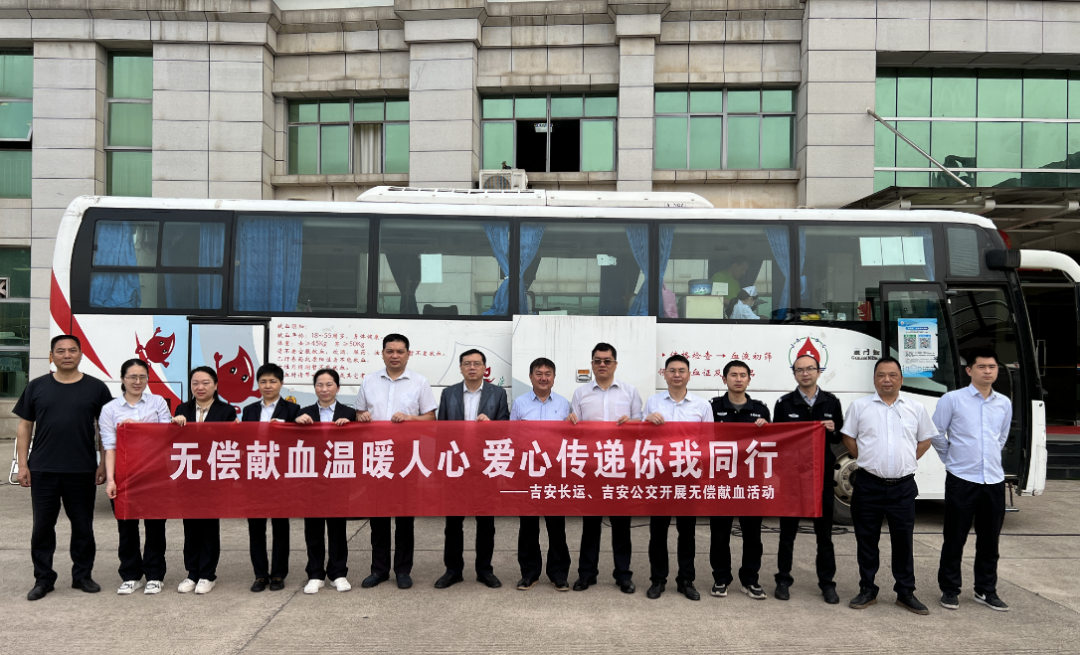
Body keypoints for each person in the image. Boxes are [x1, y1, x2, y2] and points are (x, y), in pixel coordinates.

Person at [15, 334, 114, 601]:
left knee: (83, 526)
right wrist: (23, 465)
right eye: (60, 351)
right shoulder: (36, 387)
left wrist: (103, 463)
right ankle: (43, 579)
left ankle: (82, 576)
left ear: (81, 355)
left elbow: (106, 429)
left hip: (81, 469)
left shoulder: (96, 388)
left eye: (72, 350)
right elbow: (25, 426)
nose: (67, 355)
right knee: (42, 528)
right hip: (43, 468)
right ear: (51, 356)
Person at [842, 356, 937, 615]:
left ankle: (905, 592)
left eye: (892, 375)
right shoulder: (860, 407)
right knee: (866, 541)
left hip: (902, 488)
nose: (887, 380)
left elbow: (925, 440)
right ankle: (867, 590)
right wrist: (865, 458)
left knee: (903, 542)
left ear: (901, 379)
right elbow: (848, 437)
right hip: (868, 485)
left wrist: (908, 460)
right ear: (874, 379)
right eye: (881, 375)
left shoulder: (915, 408)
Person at [932, 348, 1013, 612]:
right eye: (981, 367)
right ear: (969, 370)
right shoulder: (952, 400)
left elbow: (1001, 437)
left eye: (992, 367)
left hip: (993, 480)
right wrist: (952, 459)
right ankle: (949, 589)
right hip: (962, 479)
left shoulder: (1004, 403)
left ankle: (985, 590)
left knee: (990, 541)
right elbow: (936, 433)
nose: (987, 371)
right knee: (955, 538)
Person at [354, 333, 437, 590]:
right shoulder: (368, 381)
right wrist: (362, 417)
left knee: (404, 518)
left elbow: (431, 419)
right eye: (390, 351)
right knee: (378, 517)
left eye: (400, 351)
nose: (395, 355)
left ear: (408, 354)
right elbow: (358, 413)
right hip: (377, 456)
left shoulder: (420, 382)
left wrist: (410, 418)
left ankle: (402, 570)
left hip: (406, 458)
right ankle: (378, 570)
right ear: (382, 354)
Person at [568, 343, 642, 594]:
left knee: (621, 525)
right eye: (598, 360)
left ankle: (623, 575)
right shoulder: (580, 393)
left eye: (607, 360)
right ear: (592, 364)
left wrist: (632, 423)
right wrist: (570, 422)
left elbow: (640, 428)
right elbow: (574, 431)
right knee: (590, 525)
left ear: (615, 364)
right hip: (592, 467)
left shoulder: (630, 392)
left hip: (621, 467)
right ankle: (587, 574)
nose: (602, 364)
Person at [771, 354, 844, 604]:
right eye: (800, 370)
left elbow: (839, 437)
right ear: (794, 374)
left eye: (810, 369)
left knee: (824, 535)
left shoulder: (831, 402)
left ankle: (827, 584)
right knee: (787, 534)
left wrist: (833, 430)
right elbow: (777, 441)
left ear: (818, 372)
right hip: (792, 480)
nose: (805, 373)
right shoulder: (784, 404)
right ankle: (783, 580)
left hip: (821, 479)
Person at [435, 349, 509, 590]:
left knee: (485, 523)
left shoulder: (498, 394)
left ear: (485, 368)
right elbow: (441, 431)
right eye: (467, 363)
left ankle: (484, 570)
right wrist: (442, 466)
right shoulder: (449, 393)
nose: (472, 367)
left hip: (485, 466)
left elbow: (506, 429)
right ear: (460, 368)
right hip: (456, 466)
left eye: (477, 363)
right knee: (453, 523)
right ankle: (453, 570)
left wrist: (492, 425)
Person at [643, 354, 713, 602]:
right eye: (672, 370)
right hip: (660, 474)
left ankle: (686, 580)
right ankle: (658, 579)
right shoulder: (653, 402)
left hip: (688, 475)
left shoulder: (702, 406)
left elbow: (708, 442)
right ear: (664, 374)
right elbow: (641, 438)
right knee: (658, 531)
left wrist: (704, 476)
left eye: (681, 370)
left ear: (689, 375)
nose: (676, 375)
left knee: (687, 531)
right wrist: (646, 421)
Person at [102, 358, 173, 595]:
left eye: (142, 377)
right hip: (124, 475)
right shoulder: (110, 409)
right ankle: (131, 575)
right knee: (126, 527)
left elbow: (167, 435)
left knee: (155, 527)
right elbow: (109, 446)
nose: (137, 381)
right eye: (132, 376)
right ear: (122, 379)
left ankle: (154, 575)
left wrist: (138, 427)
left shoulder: (157, 402)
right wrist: (111, 479)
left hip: (155, 474)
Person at [709, 359, 770, 601]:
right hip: (721, 480)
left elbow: (770, 445)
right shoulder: (713, 408)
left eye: (742, 375)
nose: (738, 379)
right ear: (724, 379)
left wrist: (767, 428)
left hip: (751, 482)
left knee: (753, 535)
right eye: (733, 375)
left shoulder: (761, 410)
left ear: (749, 379)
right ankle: (721, 578)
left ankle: (750, 579)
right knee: (720, 534)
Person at [511, 357, 573, 591]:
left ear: (554, 378)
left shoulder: (564, 404)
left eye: (548, 374)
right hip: (528, 471)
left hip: (555, 472)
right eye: (539, 373)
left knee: (556, 525)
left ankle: (558, 573)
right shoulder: (519, 403)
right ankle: (529, 573)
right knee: (528, 525)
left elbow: (570, 439)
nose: (543, 378)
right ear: (531, 377)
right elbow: (512, 436)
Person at [172, 365, 235, 595]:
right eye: (195, 383)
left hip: (213, 478)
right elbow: (174, 441)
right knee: (190, 527)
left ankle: (208, 575)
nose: (200, 387)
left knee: (209, 527)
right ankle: (192, 573)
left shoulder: (226, 411)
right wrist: (175, 424)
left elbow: (230, 441)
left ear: (215, 385)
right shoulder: (182, 409)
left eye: (205, 382)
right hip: (188, 476)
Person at [240, 363, 300, 593]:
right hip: (255, 475)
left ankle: (278, 574)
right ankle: (260, 575)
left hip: (280, 476)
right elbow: (243, 441)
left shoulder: (292, 410)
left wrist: (286, 427)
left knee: (280, 528)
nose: (268, 385)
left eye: (273, 381)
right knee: (256, 529)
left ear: (281, 384)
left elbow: (300, 439)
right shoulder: (249, 410)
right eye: (263, 381)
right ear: (258, 384)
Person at [296, 368, 354, 594]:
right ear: (314, 388)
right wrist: (296, 421)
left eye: (329, 384)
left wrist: (353, 424)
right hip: (312, 479)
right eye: (320, 385)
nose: (324, 389)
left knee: (337, 528)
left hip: (339, 478)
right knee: (313, 528)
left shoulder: (349, 413)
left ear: (337, 387)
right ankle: (315, 574)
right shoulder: (304, 413)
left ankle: (338, 573)